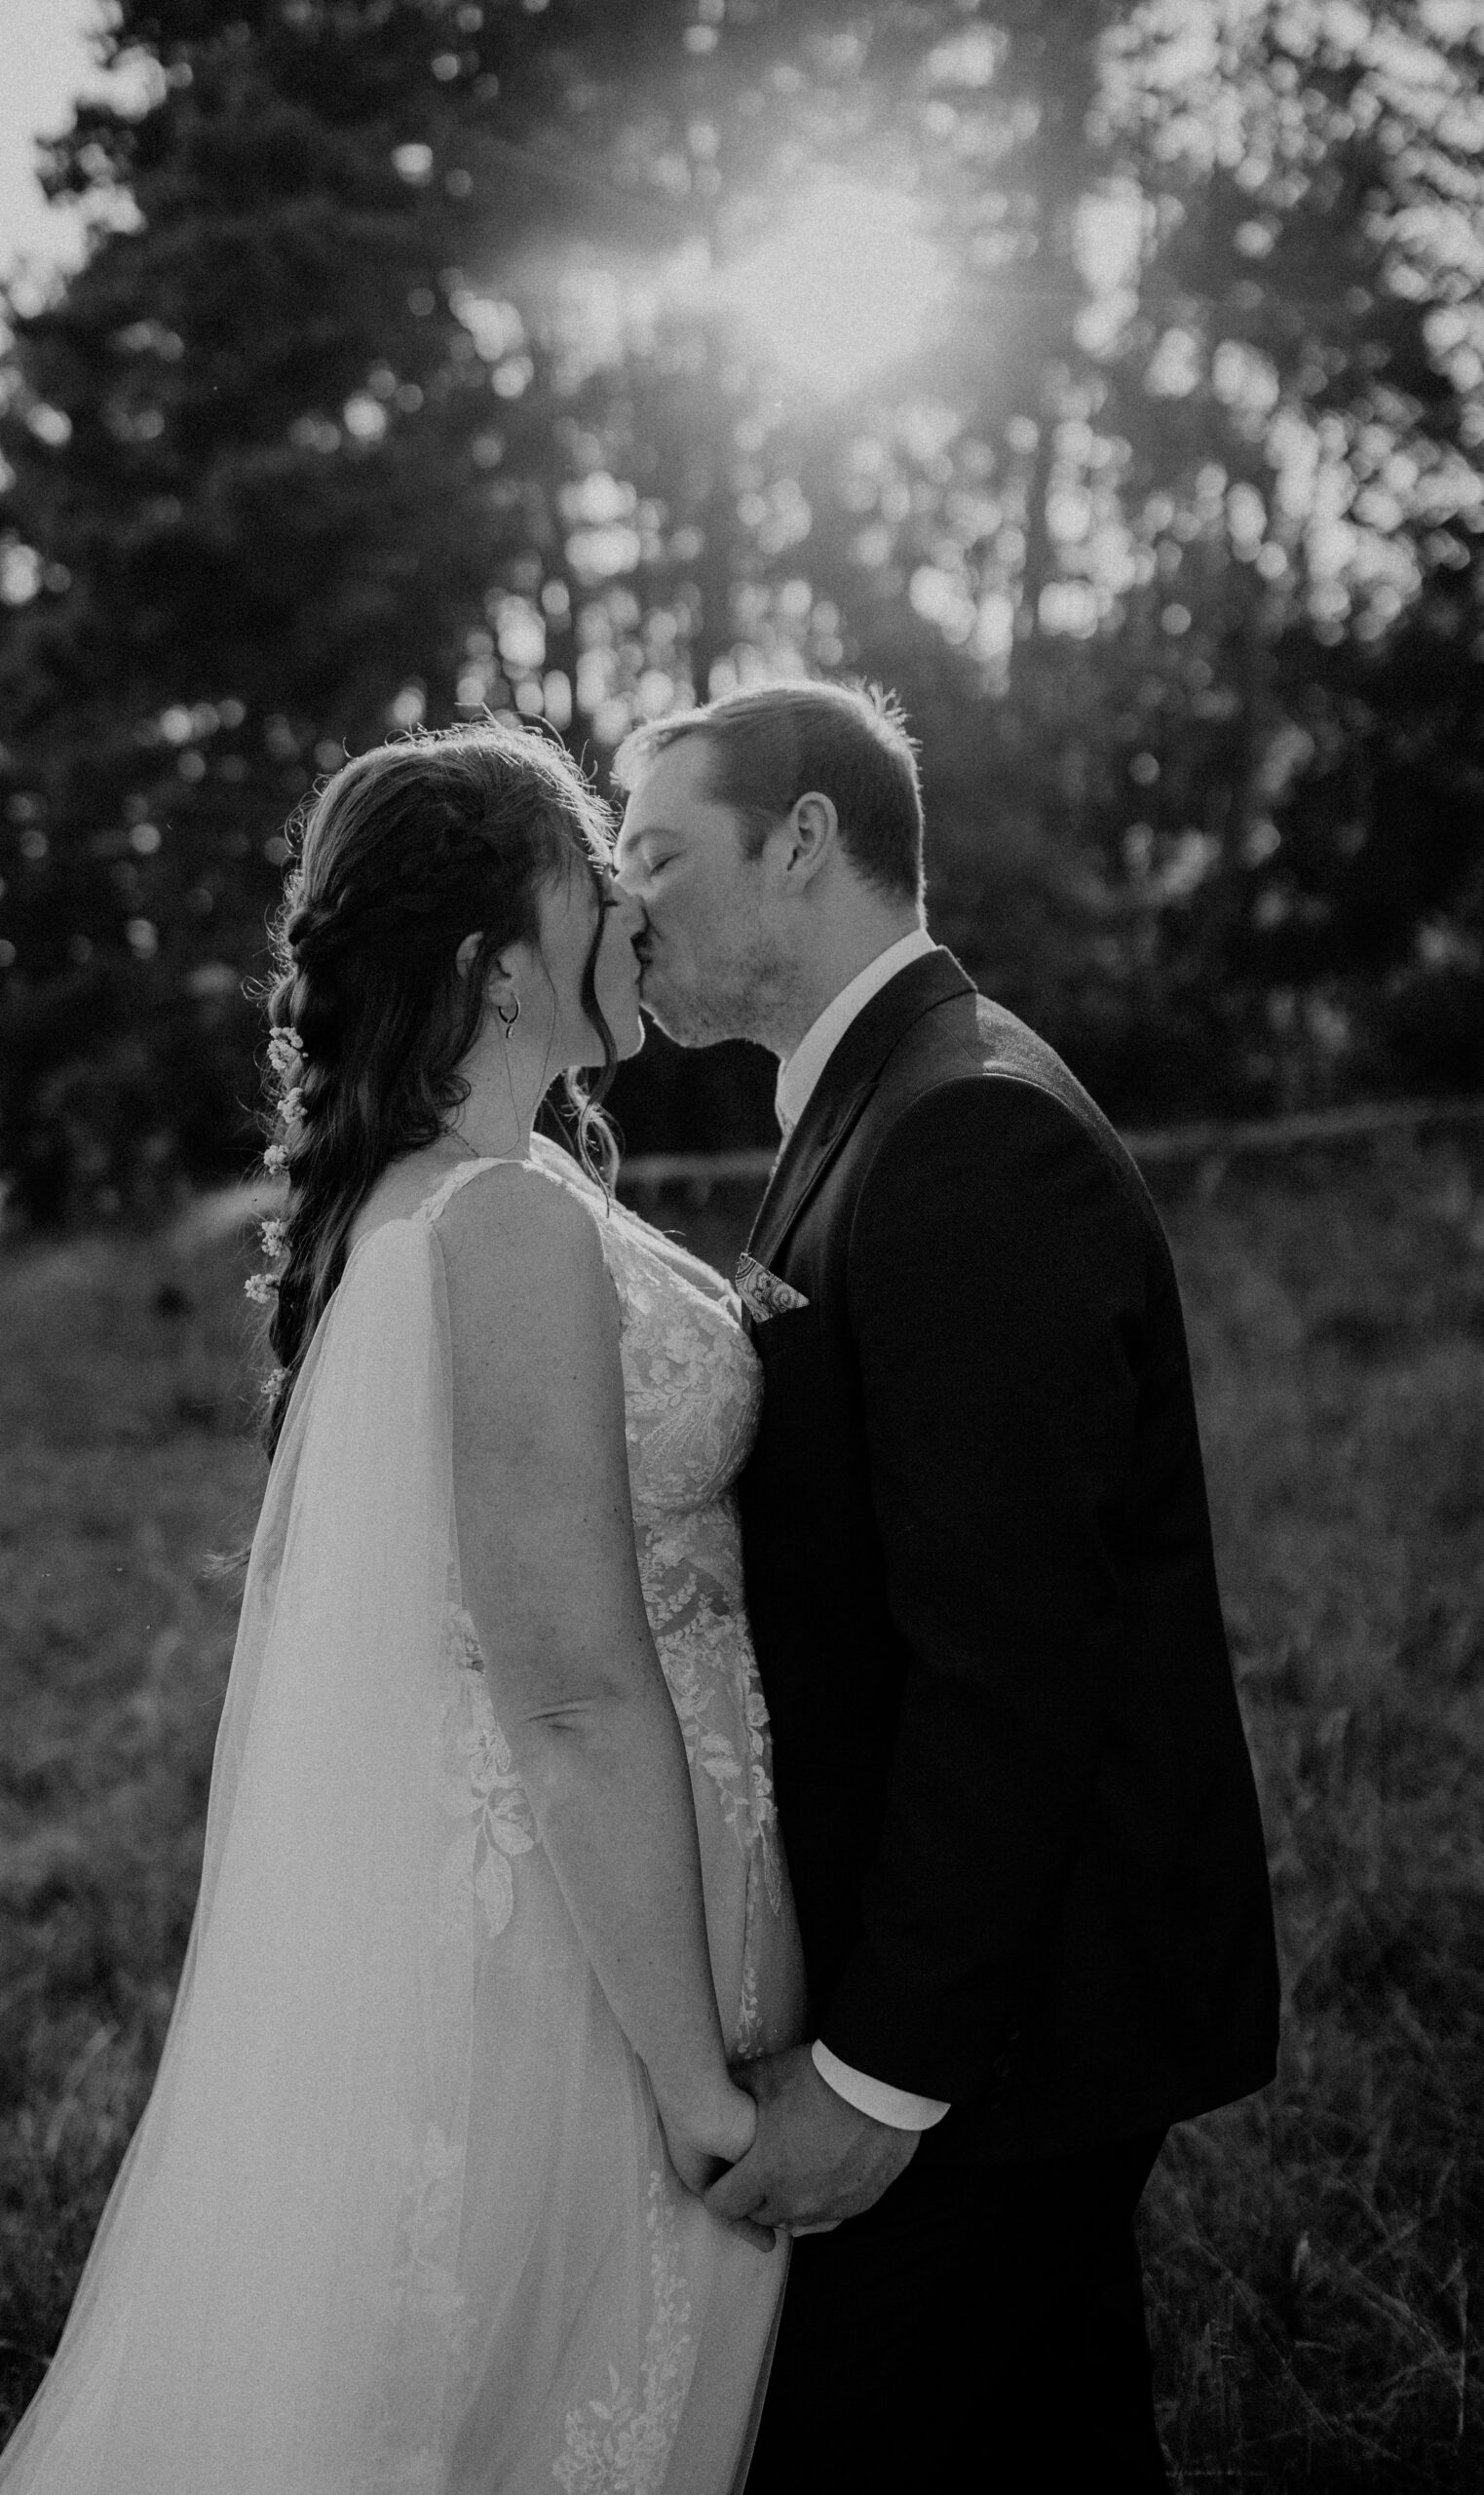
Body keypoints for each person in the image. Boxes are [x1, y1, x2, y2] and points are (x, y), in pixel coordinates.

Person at [0, 723, 803, 2495]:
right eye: (599, 877)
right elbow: (567, 1690)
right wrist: (693, 2083)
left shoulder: (476, 1193)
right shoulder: (497, 1218)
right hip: (594, 1966)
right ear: (498, 966)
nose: (633, 911)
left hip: (602, 1899)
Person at [613, 679, 1281, 2490]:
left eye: (658, 853)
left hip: (1012, 2031)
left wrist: (879, 2077)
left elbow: (1013, 1663)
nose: (624, 902)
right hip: (1001, 2006)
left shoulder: (968, 1131)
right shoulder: (874, 1100)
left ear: (803, 840)